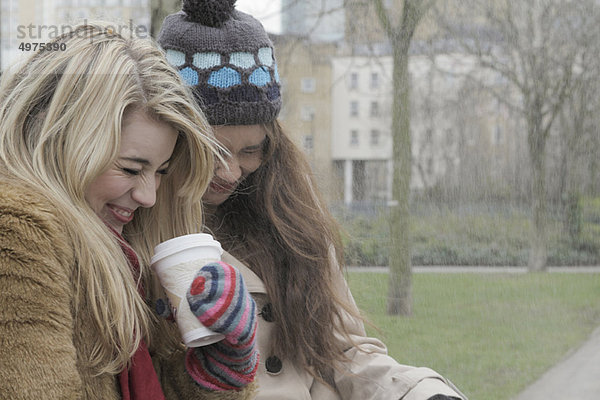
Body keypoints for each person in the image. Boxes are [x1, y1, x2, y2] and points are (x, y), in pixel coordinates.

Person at [158, 1, 467, 399]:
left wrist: (419, 393)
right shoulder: (135, 223)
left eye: (251, 151)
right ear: (173, 138)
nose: (232, 172)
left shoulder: (289, 215)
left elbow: (344, 353)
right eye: (214, 153)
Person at [0, 22, 258, 400]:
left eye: (161, 172)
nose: (149, 196)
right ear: (58, 140)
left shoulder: (123, 250)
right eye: (131, 169)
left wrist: (217, 372)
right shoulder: (17, 232)